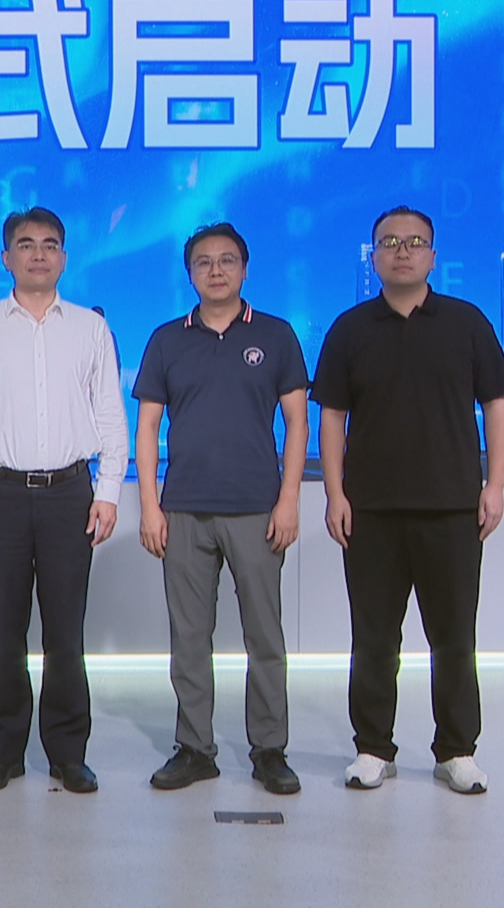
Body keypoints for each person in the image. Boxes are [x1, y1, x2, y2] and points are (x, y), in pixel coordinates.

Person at [311, 206, 504, 795]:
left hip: (452, 509)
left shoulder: (466, 322)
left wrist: (494, 486)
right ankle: (373, 748)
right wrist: (335, 493)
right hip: (370, 511)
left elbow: (496, 405)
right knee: (374, 640)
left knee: (454, 639)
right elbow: (332, 417)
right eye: (390, 242)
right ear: (374, 256)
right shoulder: (350, 329)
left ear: (433, 256)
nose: (402, 251)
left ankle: (457, 751)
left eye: (415, 242)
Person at [0, 206, 129, 795]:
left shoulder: (90, 329)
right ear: (6, 258)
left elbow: (110, 414)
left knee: (66, 634)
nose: (38, 253)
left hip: (70, 492)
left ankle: (69, 754)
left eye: (50, 244)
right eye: (26, 244)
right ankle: (4, 753)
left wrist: (108, 491)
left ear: (64, 258)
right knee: (4, 634)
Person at [133, 222, 309, 795]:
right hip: (183, 509)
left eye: (227, 260)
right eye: (204, 262)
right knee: (189, 638)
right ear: (190, 273)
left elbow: (298, 422)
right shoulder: (167, 339)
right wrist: (150, 506)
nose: (216, 270)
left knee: (265, 637)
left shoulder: (277, 335)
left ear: (245, 268)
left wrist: (288, 500)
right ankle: (194, 749)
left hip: (257, 508)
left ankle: (270, 750)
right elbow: (148, 427)